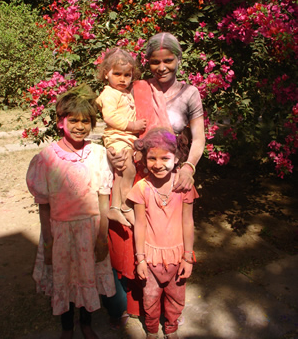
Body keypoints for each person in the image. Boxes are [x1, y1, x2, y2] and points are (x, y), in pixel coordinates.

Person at [107, 32, 205, 318]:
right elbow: (117, 121)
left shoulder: (190, 93)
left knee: (169, 236)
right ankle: (137, 308)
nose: (162, 67)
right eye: (154, 62)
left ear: (178, 59)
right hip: (137, 172)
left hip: (173, 176)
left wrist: (189, 167)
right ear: (147, 62)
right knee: (131, 238)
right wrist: (113, 149)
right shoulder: (136, 88)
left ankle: (169, 307)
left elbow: (198, 139)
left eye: (168, 60)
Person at [26, 84, 116, 339]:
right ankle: (67, 329)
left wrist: (102, 238)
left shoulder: (98, 155)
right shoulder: (46, 159)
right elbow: (44, 205)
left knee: (87, 279)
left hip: (90, 233)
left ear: (92, 123)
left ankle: (86, 325)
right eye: (73, 120)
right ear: (60, 122)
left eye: (85, 121)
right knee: (64, 282)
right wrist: (48, 241)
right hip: (60, 235)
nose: (79, 126)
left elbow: (103, 198)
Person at [128, 128, 198, 339]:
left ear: (176, 158)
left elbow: (188, 222)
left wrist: (188, 257)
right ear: (144, 158)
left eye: (164, 158)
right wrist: (140, 259)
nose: (158, 164)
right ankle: (151, 329)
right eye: (152, 158)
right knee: (150, 298)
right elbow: (139, 225)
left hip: (177, 257)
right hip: (150, 258)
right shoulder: (142, 188)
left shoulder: (184, 186)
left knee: (176, 297)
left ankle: (171, 327)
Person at [96, 48, 147, 227]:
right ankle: (126, 205)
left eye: (127, 74)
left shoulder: (125, 92)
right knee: (129, 170)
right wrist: (133, 126)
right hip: (117, 137)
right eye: (117, 74)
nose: (122, 78)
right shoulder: (109, 94)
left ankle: (114, 208)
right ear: (105, 74)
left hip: (126, 138)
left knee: (121, 172)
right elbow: (109, 117)